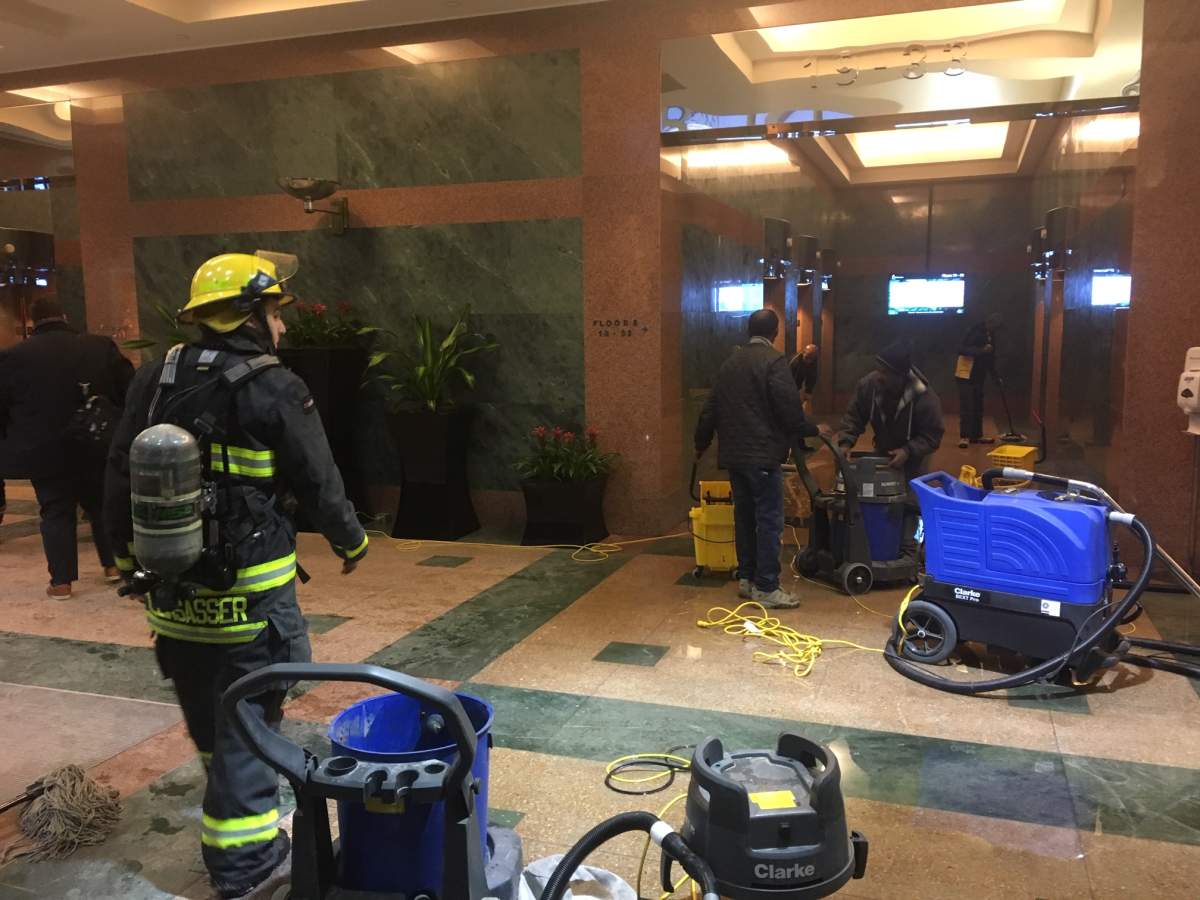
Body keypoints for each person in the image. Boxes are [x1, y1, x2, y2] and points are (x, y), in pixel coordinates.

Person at [104, 252, 368, 899]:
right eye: (275, 311)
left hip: (170, 594)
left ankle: (239, 825)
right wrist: (351, 538)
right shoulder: (274, 385)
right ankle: (246, 865)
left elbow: (115, 471)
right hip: (248, 599)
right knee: (248, 723)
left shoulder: (154, 377)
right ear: (250, 314)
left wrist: (117, 554)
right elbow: (318, 476)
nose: (280, 325)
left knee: (207, 714)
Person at [0, 296, 133, 597]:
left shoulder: (13, 357)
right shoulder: (99, 346)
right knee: (100, 505)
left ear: (33, 321)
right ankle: (112, 566)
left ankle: (61, 582)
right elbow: (128, 389)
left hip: (44, 450)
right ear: (64, 315)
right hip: (95, 444)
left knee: (55, 510)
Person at [695, 309, 827, 609]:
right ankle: (766, 585)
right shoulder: (774, 361)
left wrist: (700, 443)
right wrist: (812, 429)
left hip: (735, 457)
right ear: (775, 332)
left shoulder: (729, 363)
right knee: (769, 519)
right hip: (762, 455)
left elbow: (710, 408)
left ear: (748, 330)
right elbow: (789, 408)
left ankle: (746, 579)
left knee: (744, 517)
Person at [837, 340, 944, 482]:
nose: (879, 376)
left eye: (885, 372)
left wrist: (907, 451)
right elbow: (854, 416)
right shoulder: (869, 385)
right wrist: (845, 443)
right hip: (883, 449)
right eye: (878, 369)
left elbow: (932, 435)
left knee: (911, 498)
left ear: (901, 376)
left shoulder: (924, 396)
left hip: (914, 457)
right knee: (878, 490)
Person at [954, 312, 1002, 449]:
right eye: (994, 326)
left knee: (978, 407)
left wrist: (995, 376)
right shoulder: (973, 331)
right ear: (989, 323)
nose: (995, 329)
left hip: (979, 376)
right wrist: (981, 350)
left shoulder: (990, 335)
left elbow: (991, 357)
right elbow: (961, 349)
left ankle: (976, 436)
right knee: (967, 407)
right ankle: (964, 437)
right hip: (965, 375)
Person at [790, 343, 820, 409]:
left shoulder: (813, 361)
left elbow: (812, 376)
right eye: (807, 357)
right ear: (803, 353)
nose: (809, 361)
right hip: (790, 384)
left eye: (812, 358)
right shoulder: (795, 362)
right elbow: (790, 379)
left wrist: (808, 391)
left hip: (799, 384)